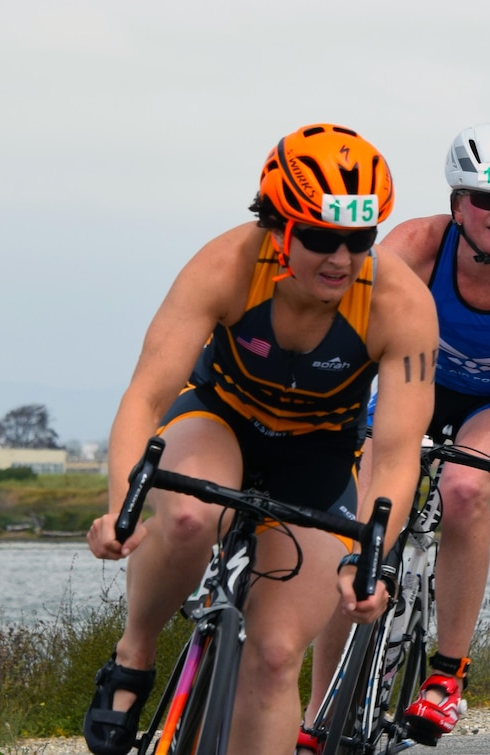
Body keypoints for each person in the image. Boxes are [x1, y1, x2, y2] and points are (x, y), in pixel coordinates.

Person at [81, 123, 437, 755]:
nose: (340, 259)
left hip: (320, 455)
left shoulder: (399, 304)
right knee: (191, 517)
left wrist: (370, 559)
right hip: (222, 420)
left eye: (359, 240)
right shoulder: (225, 266)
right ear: (280, 227)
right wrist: (120, 506)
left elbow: (399, 451)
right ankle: (134, 654)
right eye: (321, 239)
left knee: (274, 656)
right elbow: (145, 396)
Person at [302, 122, 490, 749]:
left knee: (463, 489)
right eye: (486, 198)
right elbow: (347, 328)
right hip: (416, 382)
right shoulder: (415, 248)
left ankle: (445, 676)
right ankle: (318, 712)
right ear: (458, 202)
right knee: (363, 528)